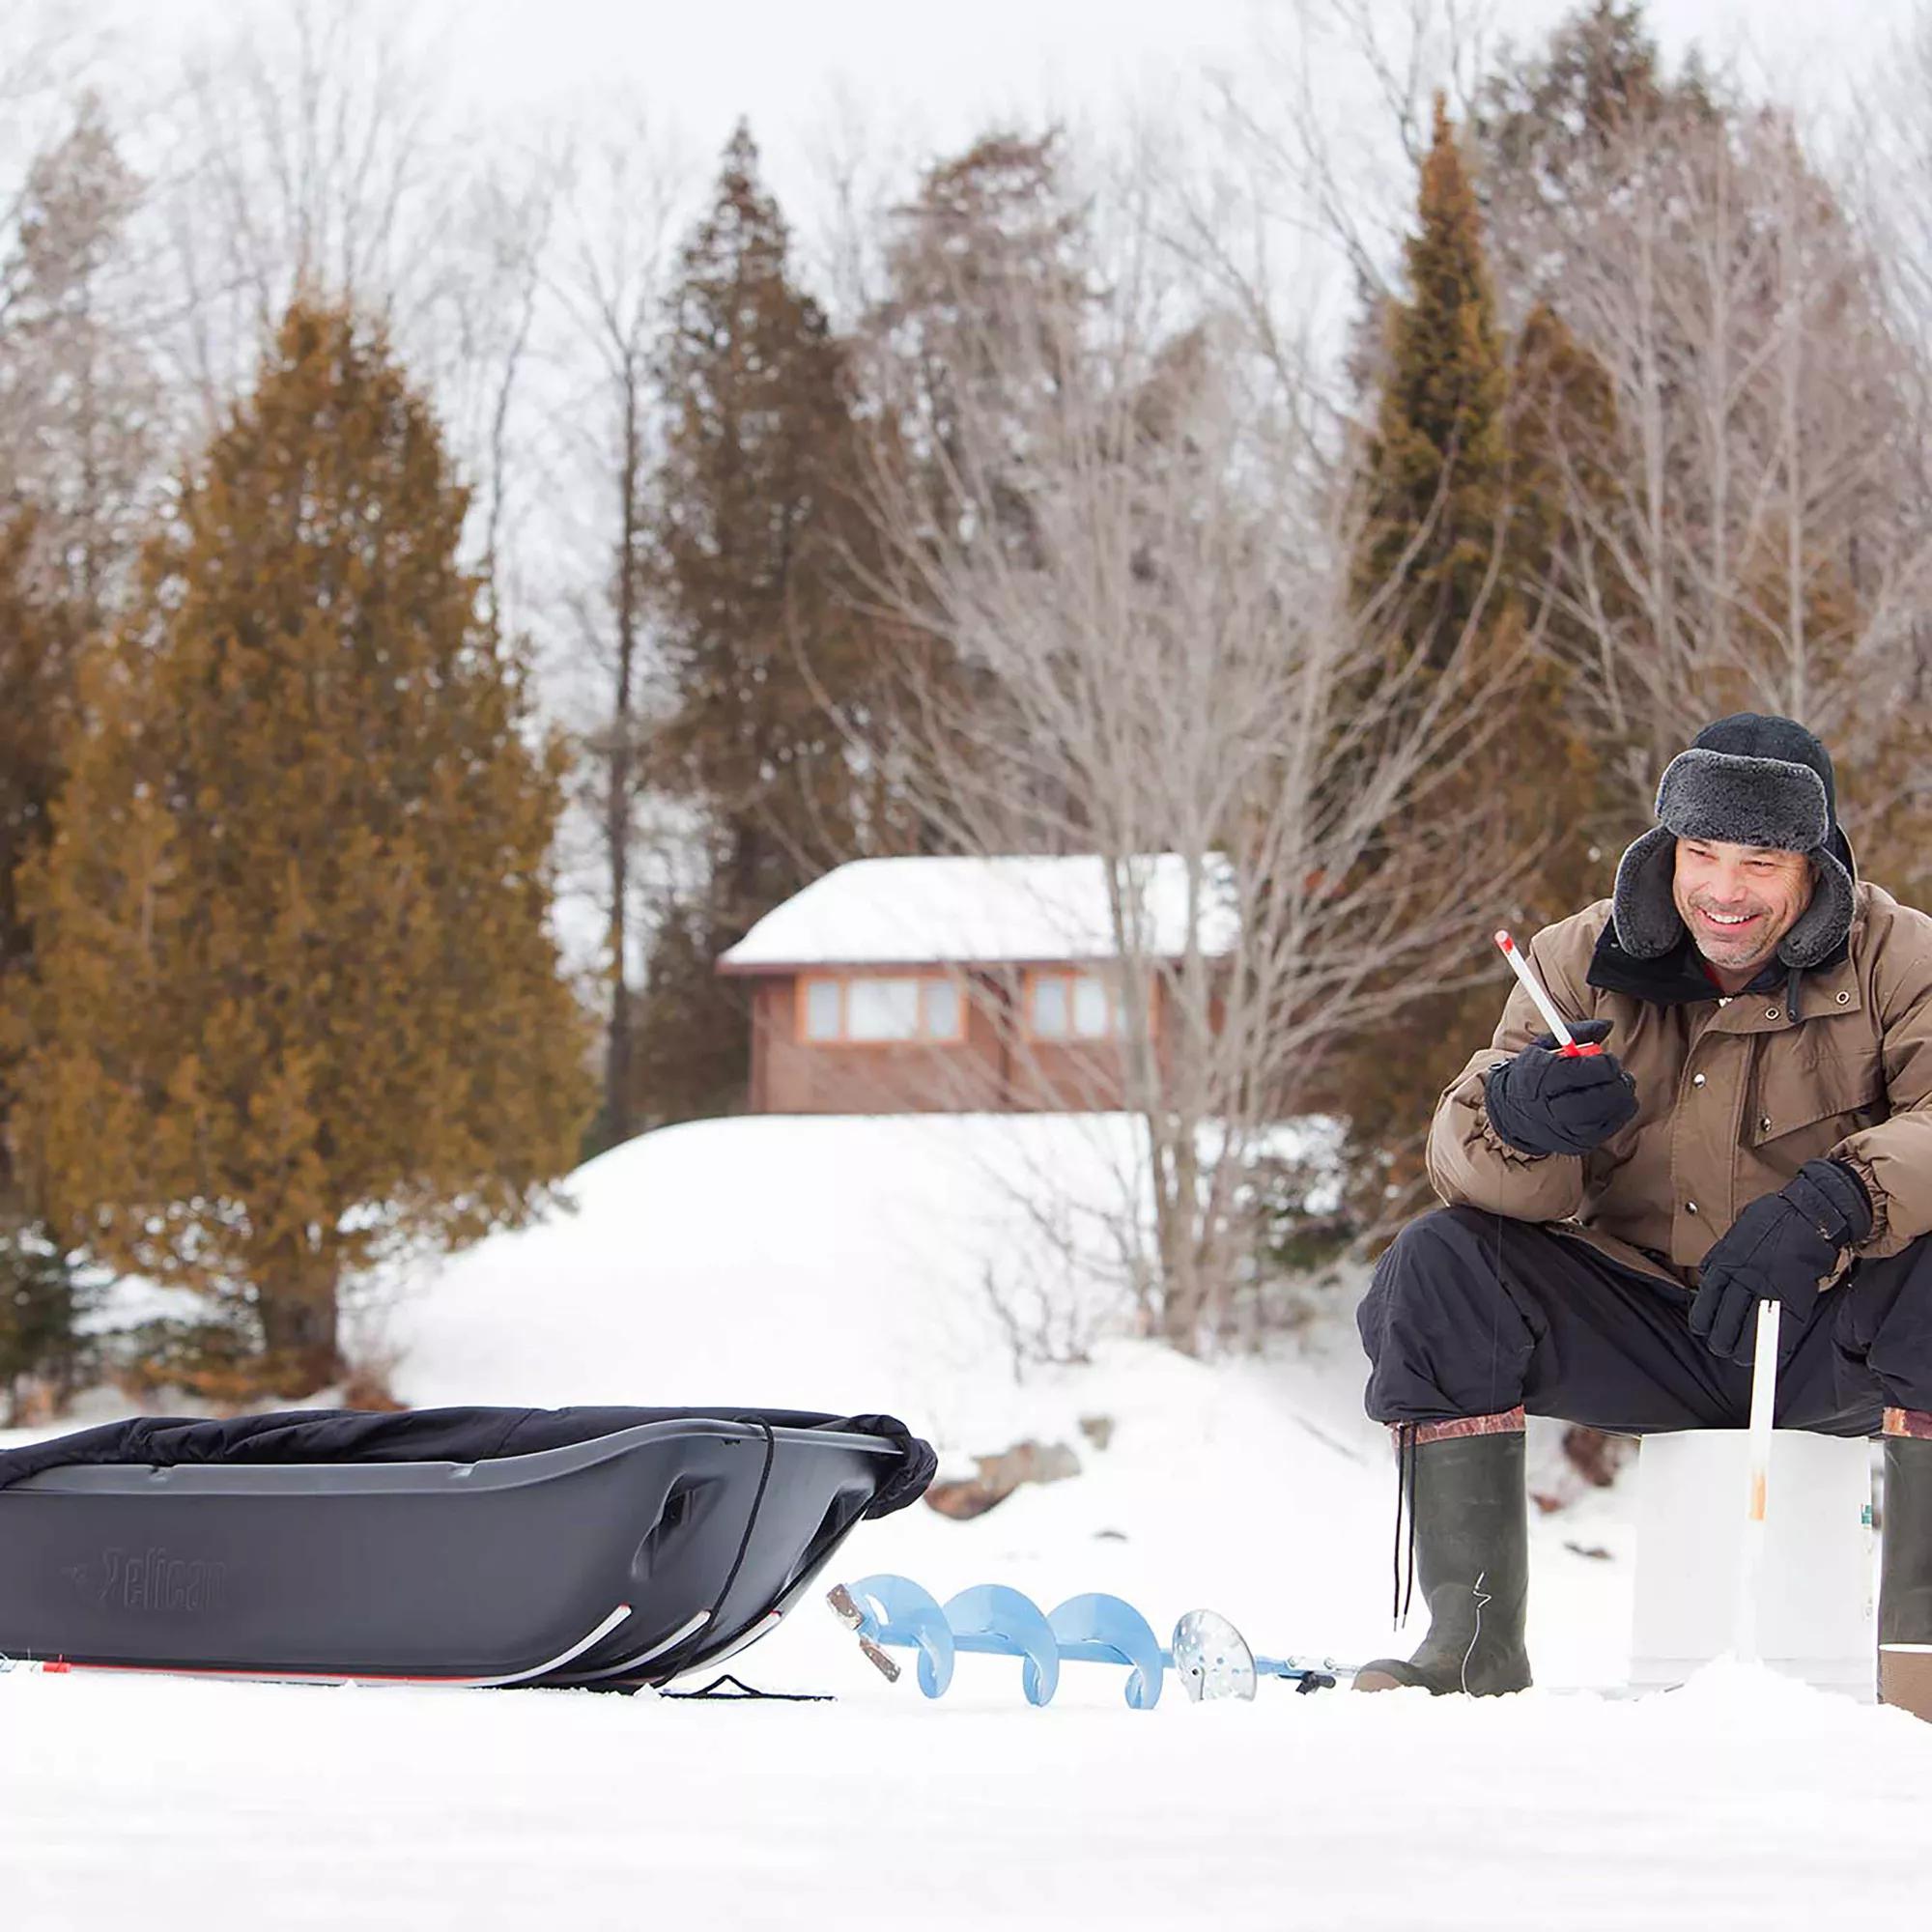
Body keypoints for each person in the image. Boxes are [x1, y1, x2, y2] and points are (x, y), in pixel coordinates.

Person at [1354, 713, 1932, 1696]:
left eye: (1757, 861)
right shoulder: (1574, 954)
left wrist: (1842, 1196)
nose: (1721, 890)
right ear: (1665, 846)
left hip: (1828, 1331)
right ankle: (1471, 1641)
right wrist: (1517, 1118)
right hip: (1642, 1324)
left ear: (1814, 863)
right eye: (1699, 852)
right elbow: (1464, 1166)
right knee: (1437, 1262)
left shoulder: (1898, 955)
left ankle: (1919, 1655)